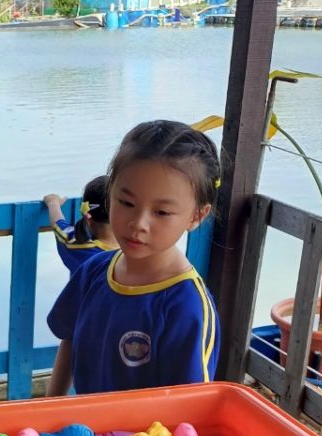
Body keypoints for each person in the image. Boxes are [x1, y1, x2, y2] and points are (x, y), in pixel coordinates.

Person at [46, 120, 220, 397]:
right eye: (126, 203)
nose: (138, 223)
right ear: (110, 194)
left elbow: (187, 404)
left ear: (196, 216)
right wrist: (50, 407)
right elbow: (69, 339)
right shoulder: (94, 271)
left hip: (147, 428)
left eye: (161, 212)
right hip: (83, 422)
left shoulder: (186, 306)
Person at [43, 176, 117, 272]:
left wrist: (53, 203)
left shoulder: (79, 247)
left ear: (85, 212)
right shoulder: (130, 253)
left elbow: (59, 226)